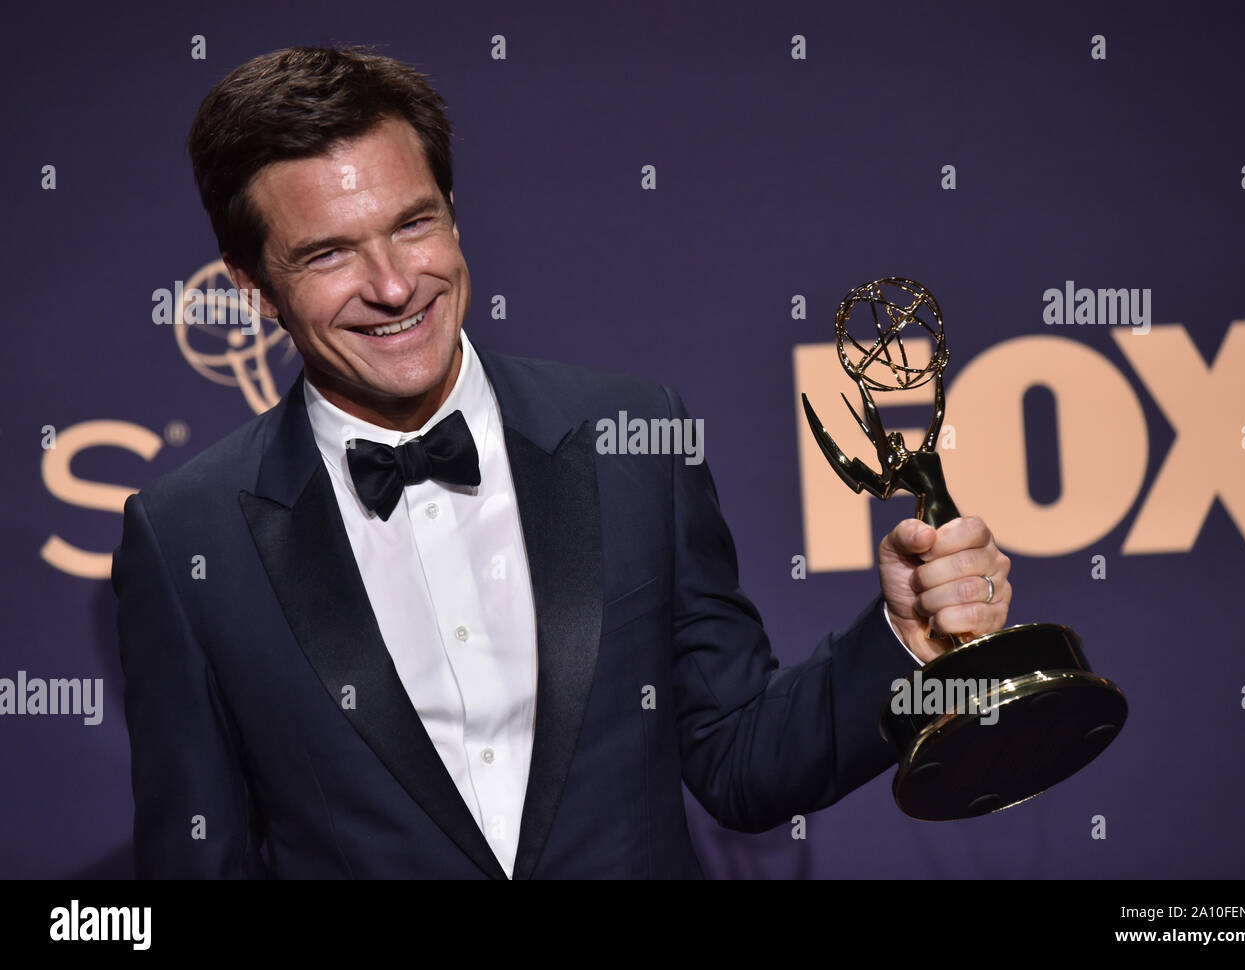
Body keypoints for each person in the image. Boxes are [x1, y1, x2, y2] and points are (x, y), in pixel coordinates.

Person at [112, 45, 1012, 879]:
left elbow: (742, 763)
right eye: (329, 254)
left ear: (454, 216)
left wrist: (904, 644)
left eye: (413, 224)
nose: (392, 284)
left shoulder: (631, 437)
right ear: (252, 285)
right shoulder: (186, 535)